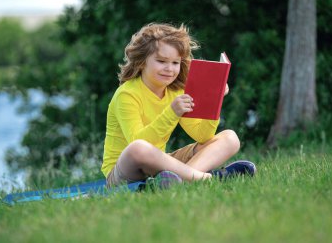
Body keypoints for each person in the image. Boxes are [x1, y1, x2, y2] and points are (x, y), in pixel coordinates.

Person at [101, 23, 256, 188]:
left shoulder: (176, 91)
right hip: (123, 172)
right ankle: (207, 179)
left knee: (230, 138)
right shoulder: (127, 94)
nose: (169, 69)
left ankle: (180, 182)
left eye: (175, 63)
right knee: (138, 148)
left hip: (159, 166)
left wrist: (214, 101)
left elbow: (203, 136)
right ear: (141, 62)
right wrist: (172, 113)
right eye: (161, 61)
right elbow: (138, 141)